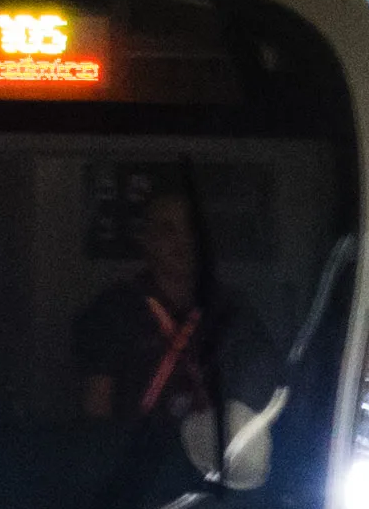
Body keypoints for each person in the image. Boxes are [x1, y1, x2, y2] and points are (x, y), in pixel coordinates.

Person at [69, 179, 260, 474]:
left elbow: (255, 398)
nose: (182, 240)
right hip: (136, 468)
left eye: (191, 230)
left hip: (216, 466)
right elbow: (97, 408)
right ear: (146, 239)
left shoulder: (233, 309)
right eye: (167, 230)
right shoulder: (113, 309)